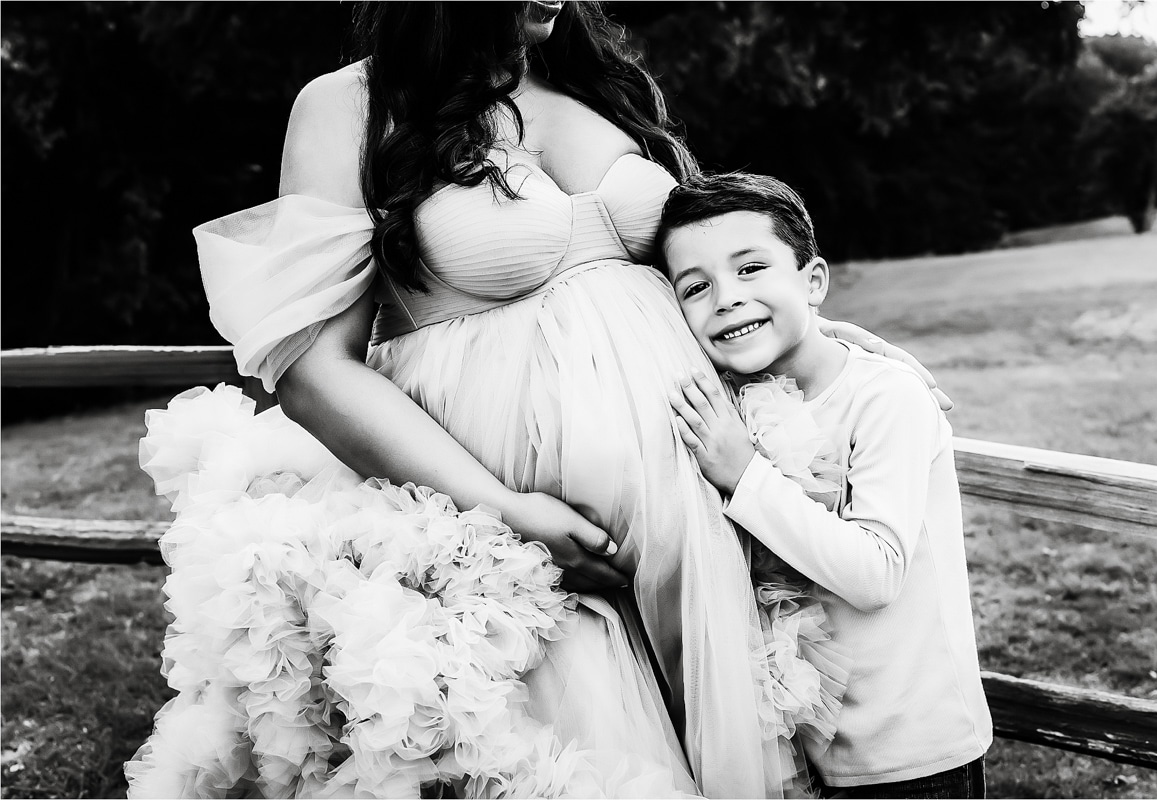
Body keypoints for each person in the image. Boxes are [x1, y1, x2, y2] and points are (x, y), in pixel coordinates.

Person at [127, 4, 947, 797]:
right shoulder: (352, 107)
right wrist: (508, 508)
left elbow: (715, 268)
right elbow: (315, 371)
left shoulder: (601, 85)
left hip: (701, 524)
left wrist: (827, 345)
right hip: (505, 541)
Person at [661, 172, 993, 799]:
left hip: (915, 754)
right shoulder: (726, 407)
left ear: (813, 280)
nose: (726, 299)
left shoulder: (885, 396)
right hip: (806, 752)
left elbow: (875, 574)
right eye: (696, 287)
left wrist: (746, 476)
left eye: (751, 268)